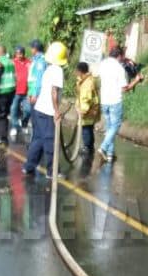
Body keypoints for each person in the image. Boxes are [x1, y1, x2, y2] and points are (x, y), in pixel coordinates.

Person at [24, 41, 67, 179]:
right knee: (50, 141)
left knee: (38, 139)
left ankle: (29, 166)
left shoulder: (49, 69)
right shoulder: (58, 71)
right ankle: (52, 171)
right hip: (48, 111)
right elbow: (54, 92)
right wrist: (56, 111)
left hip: (39, 109)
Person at [97, 46, 143, 163]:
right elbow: (124, 89)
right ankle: (103, 148)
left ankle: (110, 154)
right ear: (119, 56)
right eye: (122, 56)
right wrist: (136, 80)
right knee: (115, 126)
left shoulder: (102, 64)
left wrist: (126, 60)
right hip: (115, 101)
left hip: (104, 100)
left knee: (109, 127)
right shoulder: (119, 68)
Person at [75, 62, 99, 156]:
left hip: (89, 110)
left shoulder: (87, 83)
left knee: (86, 128)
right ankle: (90, 146)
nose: (75, 73)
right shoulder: (85, 80)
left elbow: (86, 98)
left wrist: (83, 111)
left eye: (76, 71)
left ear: (80, 71)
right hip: (91, 109)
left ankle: (87, 147)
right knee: (89, 128)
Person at [9, 45, 30, 142]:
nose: (19, 55)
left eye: (20, 53)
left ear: (24, 54)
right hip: (15, 91)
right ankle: (14, 126)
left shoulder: (28, 63)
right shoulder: (12, 62)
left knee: (28, 110)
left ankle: (24, 124)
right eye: (17, 54)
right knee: (13, 110)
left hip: (26, 92)